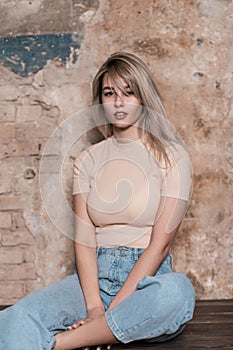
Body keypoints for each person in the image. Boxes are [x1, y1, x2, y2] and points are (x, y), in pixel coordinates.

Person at [0, 52, 195, 350]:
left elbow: (161, 245)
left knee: (176, 293)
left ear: (143, 97)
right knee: (14, 319)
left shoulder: (172, 156)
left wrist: (113, 312)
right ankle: (98, 332)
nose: (118, 101)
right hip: (92, 280)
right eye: (109, 93)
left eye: (128, 92)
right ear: (100, 101)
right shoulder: (88, 158)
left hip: (144, 281)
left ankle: (62, 343)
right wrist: (94, 308)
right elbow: (84, 239)